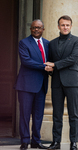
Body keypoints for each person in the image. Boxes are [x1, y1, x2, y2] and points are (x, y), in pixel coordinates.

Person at [45, 15, 78, 150]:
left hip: (72, 81)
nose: (65, 27)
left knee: (73, 114)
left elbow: (73, 59)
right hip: (56, 82)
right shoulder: (52, 43)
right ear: (58, 26)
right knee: (57, 114)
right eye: (62, 25)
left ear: (71, 26)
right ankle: (56, 142)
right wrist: (49, 68)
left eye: (67, 25)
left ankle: (73, 143)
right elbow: (49, 61)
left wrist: (54, 65)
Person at [14, 19, 53, 150]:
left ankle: (36, 141)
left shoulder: (48, 44)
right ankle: (25, 141)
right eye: (34, 27)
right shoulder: (24, 43)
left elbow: (51, 61)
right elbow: (26, 61)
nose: (36, 30)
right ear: (30, 29)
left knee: (38, 115)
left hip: (41, 85)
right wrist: (45, 67)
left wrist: (52, 68)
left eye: (39, 27)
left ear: (43, 29)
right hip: (26, 84)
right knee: (25, 114)